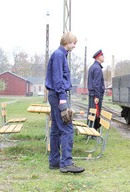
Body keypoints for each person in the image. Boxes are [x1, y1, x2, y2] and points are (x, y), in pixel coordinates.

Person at [45, 31, 85, 174]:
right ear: (67, 42)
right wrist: (62, 96)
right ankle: (66, 163)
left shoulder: (60, 55)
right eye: (73, 43)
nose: (74, 46)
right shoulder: (59, 55)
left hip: (55, 95)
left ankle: (54, 162)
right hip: (58, 96)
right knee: (67, 128)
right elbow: (57, 78)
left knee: (56, 129)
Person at [87, 49, 105, 130]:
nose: (104, 57)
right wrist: (97, 96)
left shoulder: (93, 67)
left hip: (92, 94)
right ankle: (92, 133)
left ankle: (89, 131)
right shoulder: (97, 68)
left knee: (91, 113)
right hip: (96, 95)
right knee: (95, 113)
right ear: (98, 57)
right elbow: (97, 84)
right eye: (102, 55)